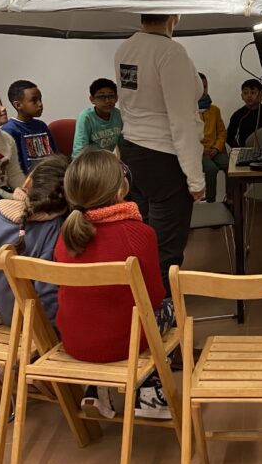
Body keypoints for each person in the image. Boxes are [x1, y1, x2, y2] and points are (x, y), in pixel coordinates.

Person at [54, 148, 175, 419]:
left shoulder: (66, 236)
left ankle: (95, 390)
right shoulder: (139, 234)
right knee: (169, 310)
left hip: (75, 340)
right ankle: (149, 392)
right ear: (121, 189)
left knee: (103, 315)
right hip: (124, 344)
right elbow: (154, 298)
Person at [115, 14, 205, 293]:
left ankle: (144, 304)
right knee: (166, 248)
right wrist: (196, 179)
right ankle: (165, 314)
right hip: (164, 158)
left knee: (143, 240)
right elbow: (182, 121)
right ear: (175, 15)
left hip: (132, 154)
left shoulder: (125, 48)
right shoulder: (170, 52)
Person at [0, 155, 69, 327]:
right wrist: (51, 331)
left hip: (9, 322)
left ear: (27, 183)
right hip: (40, 326)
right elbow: (47, 290)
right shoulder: (53, 229)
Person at [2, 80, 58, 174]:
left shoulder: (41, 126)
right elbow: (14, 169)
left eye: (40, 99)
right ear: (18, 105)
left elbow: (55, 157)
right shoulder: (9, 130)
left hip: (50, 177)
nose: (40, 104)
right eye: (34, 101)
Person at [198, 72, 229, 203]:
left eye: (205, 87)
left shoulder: (215, 110)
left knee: (231, 166)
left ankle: (231, 199)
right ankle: (211, 202)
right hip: (198, 153)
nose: (202, 90)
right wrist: (202, 150)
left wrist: (216, 148)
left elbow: (222, 133)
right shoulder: (187, 111)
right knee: (211, 169)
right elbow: (185, 138)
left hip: (214, 150)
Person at [72, 78, 123, 157]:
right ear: (92, 99)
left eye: (111, 96)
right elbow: (79, 152)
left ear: (116, 98)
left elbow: (123, 145)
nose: (107, 101)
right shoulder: (86, 117)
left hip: (107, 160)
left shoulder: (118, 115)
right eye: (101, 97)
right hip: (89, 161)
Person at [227, 78, 262, 148]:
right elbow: (229, 137)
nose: (249, 96)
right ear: (242, 96)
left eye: (253, 93)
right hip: (244, 150)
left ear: (261, 95)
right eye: (246, 93)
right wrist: (238, 149)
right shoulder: (238, 115)